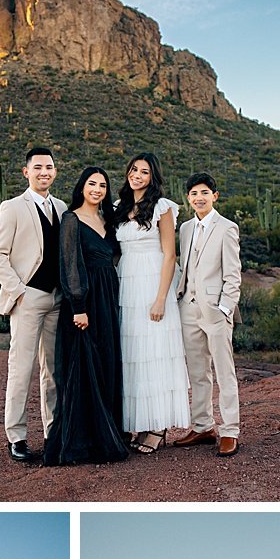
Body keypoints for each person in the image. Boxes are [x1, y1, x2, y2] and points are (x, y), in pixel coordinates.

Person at [43, 165, 128, 466]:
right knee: (84, 366)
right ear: (82, 187)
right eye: (92, 184)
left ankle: (109, 432)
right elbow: (69, 263)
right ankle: (85, 443)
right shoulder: (71, 218)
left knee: (106, 361)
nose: (97, 189)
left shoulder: (107, 219)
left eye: (103, 185)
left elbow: (114, 256)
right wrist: (78, 305)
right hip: (85, 301)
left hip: (108, 296)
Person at [0, 147, 67, 464]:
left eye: (49, 167)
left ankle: (53, 432)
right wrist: (19, 292)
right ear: (26, 172)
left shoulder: (61, 208)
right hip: (28, 297)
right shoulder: (12, 207)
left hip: (57, 299)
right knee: (21, 369)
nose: (43, 172)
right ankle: (17, 437)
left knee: (52, 371)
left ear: (55, 171)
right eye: (37, 167)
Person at [115, 152, 190, 453]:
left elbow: (170, 255)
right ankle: (141, 421)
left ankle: (158, 426)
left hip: (153, 283)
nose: (137, 175)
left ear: (153, 177)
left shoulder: (162, 207)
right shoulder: (120, 207)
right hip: (127, 282)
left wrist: (162, 298)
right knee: (134, 354)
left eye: (144, 172)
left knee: (155, 352)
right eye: (134, 169)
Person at [171, 173, 242, 455]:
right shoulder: (186, 228)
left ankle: (230, 430)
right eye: (193, 193)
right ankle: (203, 426)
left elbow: (233, 275)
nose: (198, 197)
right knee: (197, 372)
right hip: (188, 308)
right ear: (188, 198)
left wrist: (225, 307)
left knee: (224, 372)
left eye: (204, 192)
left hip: (215, 310)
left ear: (215, 195)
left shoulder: (227, 227)